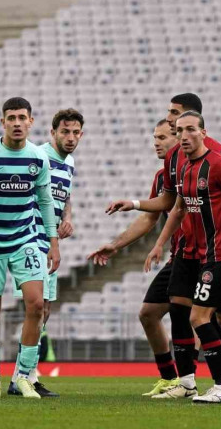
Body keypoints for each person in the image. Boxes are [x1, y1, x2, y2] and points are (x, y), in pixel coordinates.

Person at [110, 111, 221, 404]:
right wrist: (160, 244)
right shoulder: (186, 168)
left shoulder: (219, 164)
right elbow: (178, 209)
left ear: (203, 132)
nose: (184, 135)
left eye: (191, 129)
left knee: (198, 316)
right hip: (206, 255)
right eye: (179, 131)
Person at [0, 97, 60, 399]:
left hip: (25, 241)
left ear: (31, 122)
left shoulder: (37, 158)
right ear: (2, 122)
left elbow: (45, 202)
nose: (17, 123)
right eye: (11, 117)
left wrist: (53, 243)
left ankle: (23, 376)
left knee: (37, 304)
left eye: (22, 117)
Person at [86, 119, 183, 396]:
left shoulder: (195, 170)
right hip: (178, 256)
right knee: (149, 314)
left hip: (203, 255)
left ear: (178, 139)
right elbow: (151, 216)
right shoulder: (162, 176)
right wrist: (116, 245)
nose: (156, 142)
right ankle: (170, 379)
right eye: (155, 137)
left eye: (163, 137)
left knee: (199, 317)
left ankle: (214, 381)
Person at [8, 108, 83, 398]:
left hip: (48, 242)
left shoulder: (70, 162)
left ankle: (25, 375)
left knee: (44, 310)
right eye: (65, 131)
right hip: (29, 240)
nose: (71, 137)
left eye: (75, 132)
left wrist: (67, 218)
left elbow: (65, 197)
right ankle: (22, 377)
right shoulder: (37, 156)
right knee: (35, 308)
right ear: (52, 132)